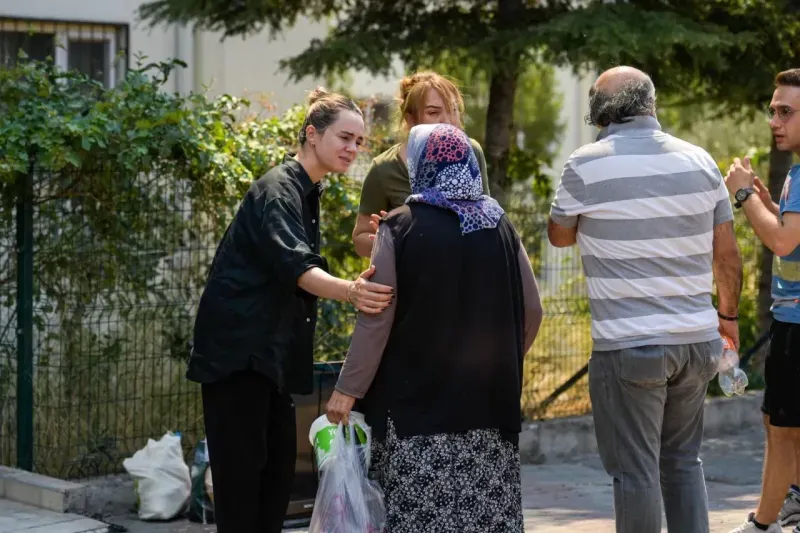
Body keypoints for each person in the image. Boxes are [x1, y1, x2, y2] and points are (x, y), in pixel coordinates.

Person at [187, 88, 394, 533]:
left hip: (270, 360)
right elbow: (297, 267)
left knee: (277, 479)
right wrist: (351, 292)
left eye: (359, 141)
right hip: (237, 357)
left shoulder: (308, 192)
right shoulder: (278, 189)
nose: (353, 149)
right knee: (243, 487)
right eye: (345, 137)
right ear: (311, 135)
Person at [548, 66, 743, 533]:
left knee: (635, 471)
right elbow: (728, 257)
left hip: (629, 346)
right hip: (698, 342)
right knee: (682, 462)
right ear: (649, 104)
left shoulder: (586, 163)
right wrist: (728, 321)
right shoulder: (700, 161)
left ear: (601, 111)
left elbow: (559, 236)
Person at [326, 123, 543, 532]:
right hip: (489, 407)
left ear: (421, 163)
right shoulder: (500, 224)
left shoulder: (397, 227)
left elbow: (377, 317)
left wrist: (347, 389)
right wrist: (500, 359)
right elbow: (532, 310)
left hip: (415, 413)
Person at [725, 68, 800, 533]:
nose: (775, 120)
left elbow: (783, 243)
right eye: (772, 110)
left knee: (780, 429)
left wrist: (744, 195)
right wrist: (770, 204)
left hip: (795, 324)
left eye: (786, 112)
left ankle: (762, 524)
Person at [352, 71, 490, 257]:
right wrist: (387, 238)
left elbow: (487, 223)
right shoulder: (383, 168)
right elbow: (360, 239)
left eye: (454, 110)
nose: (447, 121)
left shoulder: (472, 152)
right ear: (411, 120)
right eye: (433, 112)